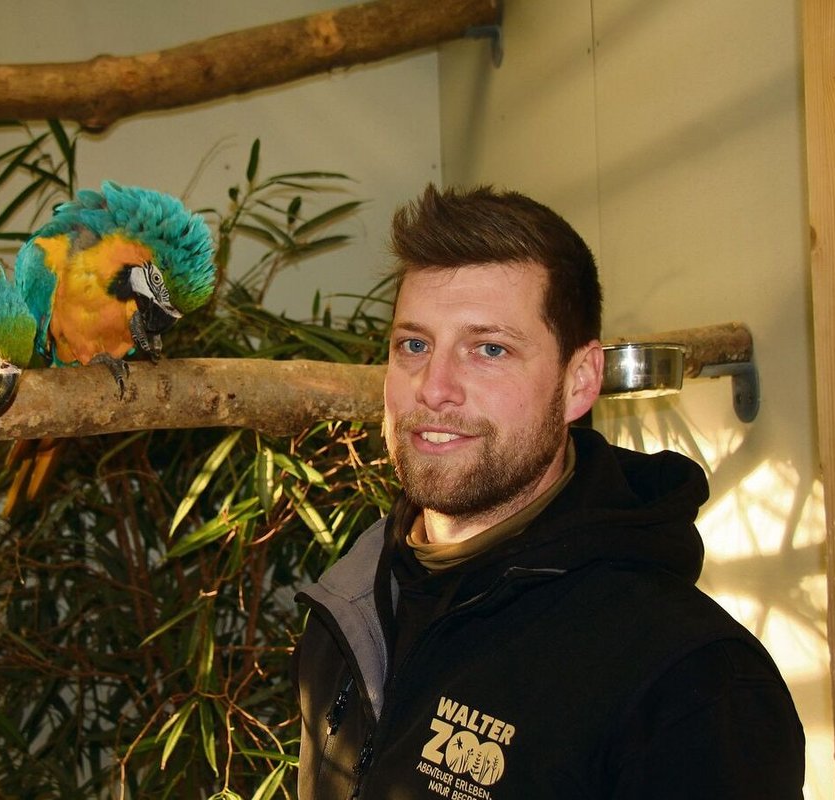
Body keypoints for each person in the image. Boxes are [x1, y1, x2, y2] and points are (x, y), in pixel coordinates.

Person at [292, 184, 805, 799]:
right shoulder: (352, 603)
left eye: (489, 349)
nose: (434, 388)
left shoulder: (691, 682)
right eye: (414, 345)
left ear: (579, 381)